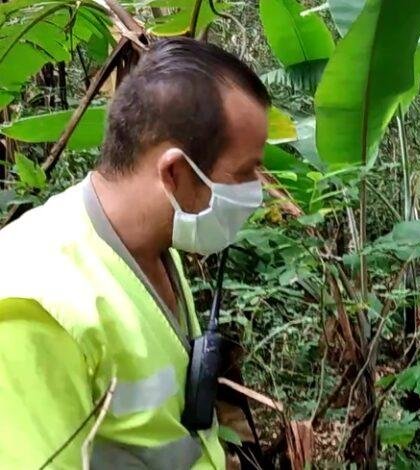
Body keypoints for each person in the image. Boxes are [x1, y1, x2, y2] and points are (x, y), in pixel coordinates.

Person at [0, 37, 269, 469]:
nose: (256, 190)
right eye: (243, 172)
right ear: (175, 172)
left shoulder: (154, 243)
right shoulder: (37, 305)